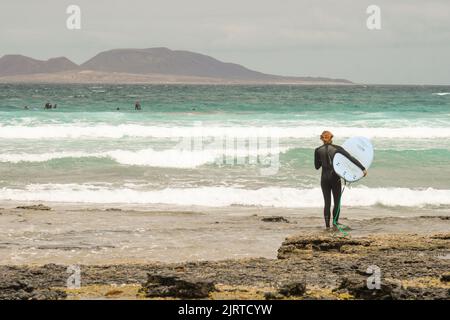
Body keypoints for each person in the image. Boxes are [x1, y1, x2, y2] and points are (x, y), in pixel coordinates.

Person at [314, 131, 367, 229]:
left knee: (327, 203)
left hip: (324, 179)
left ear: (321, 138)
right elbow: (350, 158)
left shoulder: (317, 150)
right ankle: (335, 223)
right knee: (337, 202)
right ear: (331, 138)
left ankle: (327, 226)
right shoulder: (337, 149)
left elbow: (317, 167)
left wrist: (322, 160)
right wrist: (362, 169)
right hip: (335, 178)